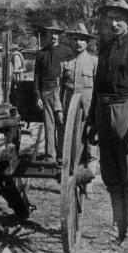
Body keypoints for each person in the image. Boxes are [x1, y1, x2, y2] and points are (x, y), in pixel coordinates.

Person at [88, 0, 128, 248]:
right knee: (111, 173)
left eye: (119, 19)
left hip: (127, 111)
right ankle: (117, 227)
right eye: (110, 19)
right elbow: (96, 88)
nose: (114, 23)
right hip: (104, 112)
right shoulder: (104, 50)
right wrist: (93, 121)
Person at [60, 23, 98, 186]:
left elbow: (98, 90)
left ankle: (88, 182)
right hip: (70, 113)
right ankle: (73, 179)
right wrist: (59, 109)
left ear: (87, 42)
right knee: (73, 146)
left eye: (82, 40)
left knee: (90, 146)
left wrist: (97, 113)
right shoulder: (65, 63)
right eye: (75, 39)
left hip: (89, 112)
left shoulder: (94, 61)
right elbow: (59, 89)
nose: (78, 43)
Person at [34, 20, 73, 162]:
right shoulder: (41, 54)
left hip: (61, 92)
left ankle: (62, 156)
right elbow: (36, 77)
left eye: (56, 33)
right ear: (47, 34)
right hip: (46, 92)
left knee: (61, 124)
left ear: (59, 36)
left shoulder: (67, 52)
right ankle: (50, 157)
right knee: (49, 126)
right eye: (51, 33)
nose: (53, 36)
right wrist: (38, 97)